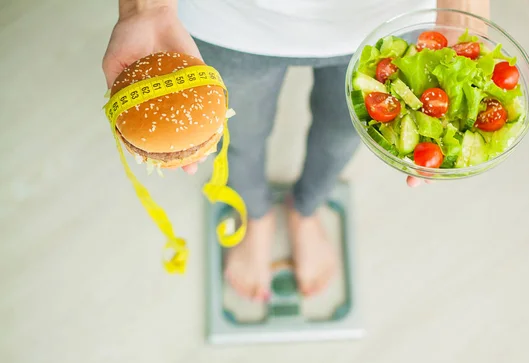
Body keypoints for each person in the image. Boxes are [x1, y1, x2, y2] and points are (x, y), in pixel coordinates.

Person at [103, 0, 490, 301]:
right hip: (228, 21)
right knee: (238, 139)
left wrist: (465, 17)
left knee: (342, 136)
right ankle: (255, 215)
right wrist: (146, 8)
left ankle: (307, 210)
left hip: (389, 20)